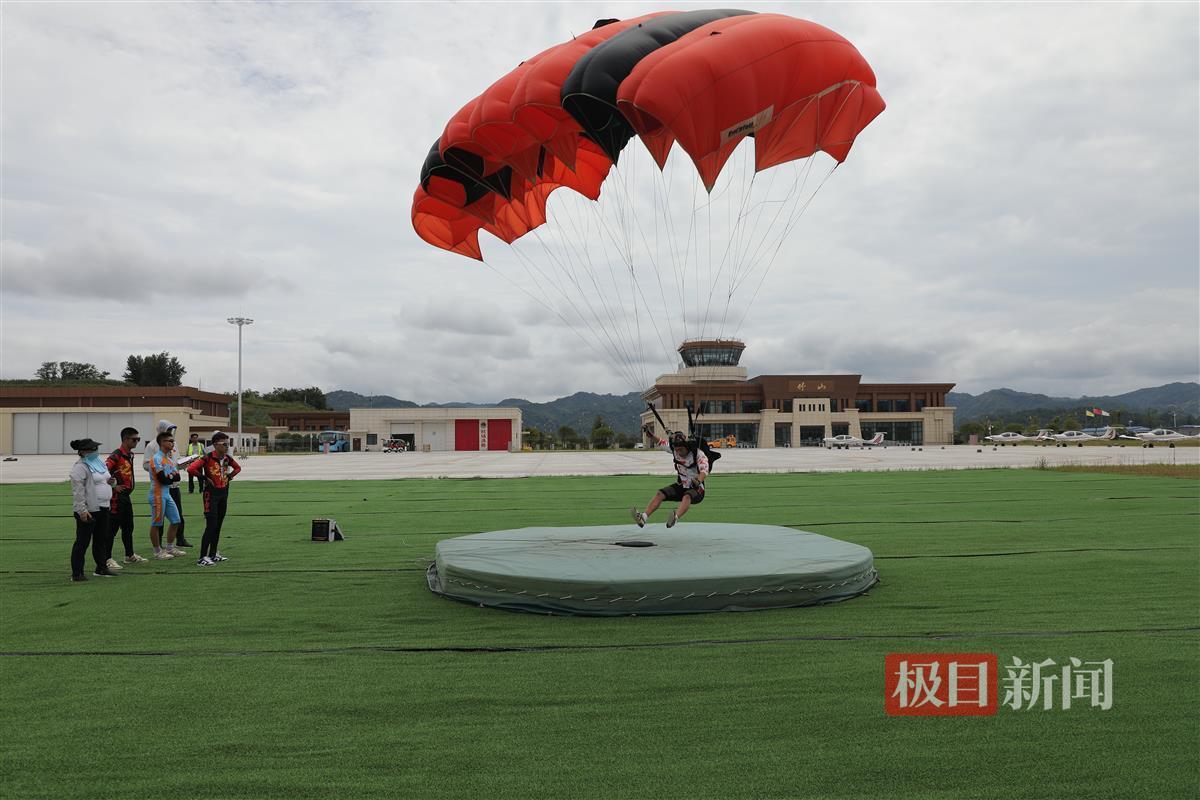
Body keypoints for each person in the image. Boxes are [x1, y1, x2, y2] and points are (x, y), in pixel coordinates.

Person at [630, 426, 710, 529]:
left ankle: (674, 518)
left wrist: (698, 480)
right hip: (682, 485)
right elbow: (661, 443)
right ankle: (643, 518)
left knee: (687, 496)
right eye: (676, 450)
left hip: (697, 489)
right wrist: (650, 435)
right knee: (660, 494)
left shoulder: (698, 454)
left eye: (681, 449)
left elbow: (704, 470)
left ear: (686, 446)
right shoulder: (674, 450)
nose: (678, 452)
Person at [186, 431, 241, 566]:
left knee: (218, 525)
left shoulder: (227, 458)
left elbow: (238, 468)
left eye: (228, 444)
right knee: (211, 526)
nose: (227, 446)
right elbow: (191, 469)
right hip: (211, 494)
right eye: (224, 444)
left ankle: (213, 554)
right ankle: (202, 557)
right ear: (215, 445)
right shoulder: (208, 458)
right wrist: (204, 478)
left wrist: (229, 477)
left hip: (223, 493)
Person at [69, 438, 117, 581]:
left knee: (101, 539)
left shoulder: (99, 463)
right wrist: (82, 510)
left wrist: (112, 483)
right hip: (89, 509)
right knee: (82, 542)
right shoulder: (80, 467)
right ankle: (77, 573)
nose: (95, 451)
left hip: (104, 507)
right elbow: (78, 491)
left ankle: (101, 568)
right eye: (92, 449)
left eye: (95, 448)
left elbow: (105, 480)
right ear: (83, 452)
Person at [143, 420, 193, 548]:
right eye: (168, 430)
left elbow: (175, 464)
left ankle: (179, 539)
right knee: (158, 520)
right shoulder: (152, 446)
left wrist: (182, 464)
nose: (171, 434)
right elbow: (147, 464)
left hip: (173, 486)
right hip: (159, 488)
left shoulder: (173, 445)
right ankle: (158, 546)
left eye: (171, 430)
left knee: (177, 516)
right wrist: (164, 472)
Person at [105, 427, 148, 567]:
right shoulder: (116, 455)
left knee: (128, 527)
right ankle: (107, 558)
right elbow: (103, 470)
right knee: (112, 528)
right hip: (116, 497)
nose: (137, 442)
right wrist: (113, 486)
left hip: (125, 496)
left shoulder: (129, 454)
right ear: (125, 439)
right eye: (134, 439)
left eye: (138, 439)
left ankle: (129, 555)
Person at [147, 431, 186, 559]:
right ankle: (157, 551)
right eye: (170, 441)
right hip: (157, 493)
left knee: (176, 520)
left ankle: (169, 548)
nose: (172, 443)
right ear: (162, 442)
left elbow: (177, 477)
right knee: (157, 523)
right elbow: (162, 479)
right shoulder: (156, 458)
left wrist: (169, 477)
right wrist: (170, 477)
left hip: (166, 493)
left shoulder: (168, 459)